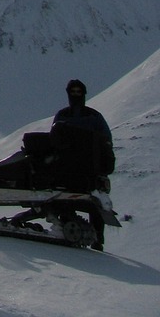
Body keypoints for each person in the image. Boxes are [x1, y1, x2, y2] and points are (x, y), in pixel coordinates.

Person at [50, 79, 114, 249]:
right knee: (63, 200)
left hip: (91, 170)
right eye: (73, 92)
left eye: (79, 92)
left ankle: (97, 238)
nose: (76, 95)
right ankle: (68, 230)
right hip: (66, 169)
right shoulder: (62, 116)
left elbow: (106, 140)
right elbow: (53, 140)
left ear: (84, 94)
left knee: (96, 203)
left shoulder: (94, 116)